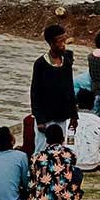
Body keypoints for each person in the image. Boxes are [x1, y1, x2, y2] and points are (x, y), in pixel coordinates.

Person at [29, 24, 78, 154]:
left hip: (61, 115)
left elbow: (69, 89)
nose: (63, 45)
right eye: (59, 42)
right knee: (41, 148)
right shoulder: (40, 64)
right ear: (51, 43)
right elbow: (35, 92)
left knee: (58, 148)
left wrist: (74, 115)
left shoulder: (66, 62)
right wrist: (39, 119)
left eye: (64, 41)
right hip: (45, 116)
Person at [28, 121, 83, 200]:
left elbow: (31, 183)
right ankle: (71, 198)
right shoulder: (70, 154)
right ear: (63, 139)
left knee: (32, 176)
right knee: (77, 172)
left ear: (46, 140)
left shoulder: (37, 157)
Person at [70, 89, 100, 173]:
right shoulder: (99, 122)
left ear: (77, 103)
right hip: (92, 164)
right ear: (92, 104)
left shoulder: (68, 121)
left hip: (71, 163)